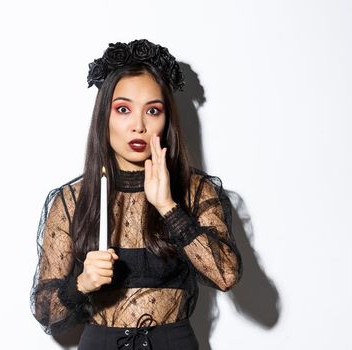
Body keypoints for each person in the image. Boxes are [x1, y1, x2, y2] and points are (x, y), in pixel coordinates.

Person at [30, 39, 243, 350]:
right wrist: (82, 284)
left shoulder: (195, 192)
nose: (138, 126)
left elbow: (226, 275)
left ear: (166, 119)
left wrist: (169, 207)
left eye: (152, 110)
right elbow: (45, 311)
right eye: (123, 109)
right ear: (104, 116)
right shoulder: (72, 200)